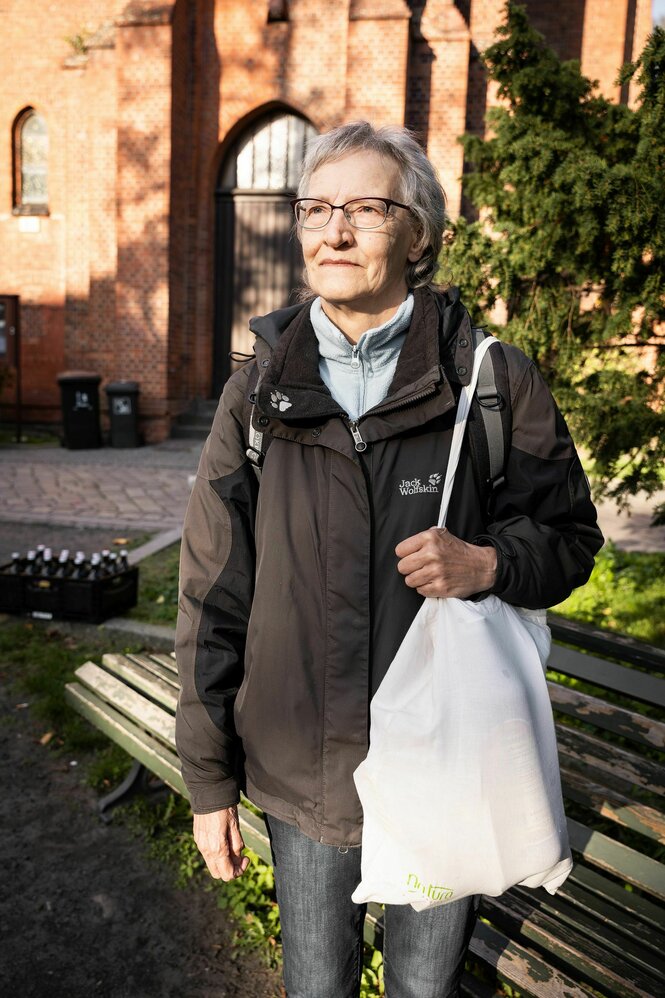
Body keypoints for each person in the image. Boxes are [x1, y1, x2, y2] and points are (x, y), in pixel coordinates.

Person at [175, 121, 603, 998]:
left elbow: (568, 537)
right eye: (314, 209)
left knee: (421, 988)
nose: (332, 231)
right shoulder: (258, 390)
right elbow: (211, 593)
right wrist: (209, 779)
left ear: (419, 235)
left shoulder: (488, 380)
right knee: (316, 986)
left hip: (444, 764)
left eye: (364, 209)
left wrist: (487, 564)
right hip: (303, 777)